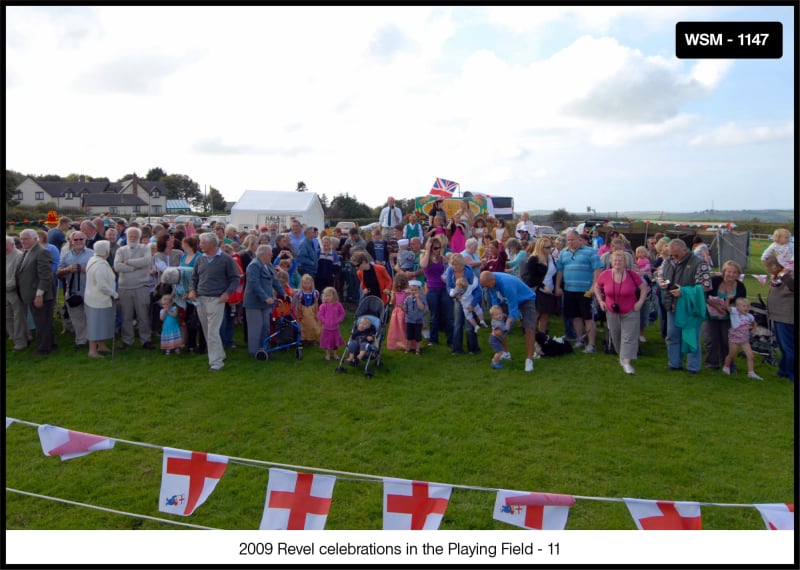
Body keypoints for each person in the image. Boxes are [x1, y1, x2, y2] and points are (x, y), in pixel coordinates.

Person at [187, 232, 241, 372]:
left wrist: (227, 293)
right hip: (200, 299)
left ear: (212, 244)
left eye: (202, 243)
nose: (200, 245)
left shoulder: (226, 259)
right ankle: (220, 354)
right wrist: (192, 290)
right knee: (207, 330)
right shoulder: (200, 259)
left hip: (216, 299)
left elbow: (235, 278)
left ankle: (216, 363)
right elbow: (194, 277)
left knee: (212, 331)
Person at [657, 238, 712, 374]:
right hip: (672, 305)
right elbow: (660, 275)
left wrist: (684, 291)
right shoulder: (668, 260)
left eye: (676, 255)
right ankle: (674, 363)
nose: (673, 257)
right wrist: (661, 282)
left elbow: (705, 286)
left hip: (690, 307)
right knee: (672, 336)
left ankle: (693, 367)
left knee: (691, 337)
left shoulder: (699, 264)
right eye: (671, 254)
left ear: (685, 250)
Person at [594, 250, 648, 375]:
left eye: (620, 260)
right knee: (616, 335)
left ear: (625, 262)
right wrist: (600, 300)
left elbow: (643, 288)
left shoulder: (632, 275)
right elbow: (597, 286)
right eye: (615, 260)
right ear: (611, 262)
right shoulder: (605, 274)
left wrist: (640, 302)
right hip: (611, 310)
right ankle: (622, 357)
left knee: (628, 337)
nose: (617, 263)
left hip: (631, 310)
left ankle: (627, 362)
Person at [554, 229, 603, 353]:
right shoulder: (563, 253)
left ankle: (591, 344)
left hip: (586, 291)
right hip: (569, 290)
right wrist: (557, 286)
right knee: (575, 316)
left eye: (572, 240)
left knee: (588, 317)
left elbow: (597, 269)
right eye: (568, 240)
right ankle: (580, 340)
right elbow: (560, 270)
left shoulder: (590, 252)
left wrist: (594, 286)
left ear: (579, 239)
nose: (570, 242)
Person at [479, 270, 537, 372]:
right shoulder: (490, 283)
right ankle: (505, 353)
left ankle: (529, 359)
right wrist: (496, 316)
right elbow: (494, 300)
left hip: (526, 299)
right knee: (499, 325)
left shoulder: (506, 284)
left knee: (529, 328)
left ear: (492, 280)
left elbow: (513, 306)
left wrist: (509, 322)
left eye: (487, 286)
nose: (486, 288)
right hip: (508, 300)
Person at [15, 229, 57, 355]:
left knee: (42, 322)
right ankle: (50, 343)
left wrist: (39, 295)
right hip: (31, 294)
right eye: (21, 239)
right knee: (42, 321)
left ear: (35, 239)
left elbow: (45, 276)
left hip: (40, 295)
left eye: (26, 238)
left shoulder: (41, 252)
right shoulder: (27, 251)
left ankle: (43, 349)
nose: (23, 241)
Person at [113, 227, 154, 350]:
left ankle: (146, 340)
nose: (132, 238)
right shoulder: (121, 250)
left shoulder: (145, 248)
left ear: (139, 237)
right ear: (126, 236)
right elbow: (117, 266)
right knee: (126, 315)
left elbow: (146, 261)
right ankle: (127, 340)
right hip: (124, 287)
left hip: (141, 286)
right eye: (130, 236)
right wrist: (133, 268)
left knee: (143, 315)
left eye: (135, 236)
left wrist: (128, 262)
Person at [702, 260, 747, 370]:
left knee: (727, 341)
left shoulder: (740, 286)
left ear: (738, 274)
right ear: (724, 272)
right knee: (711, 340)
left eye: (734, 272)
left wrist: (729, 308)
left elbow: (741, 302)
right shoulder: (715, 281)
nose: (731, 274)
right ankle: (712, 364)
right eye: (729, 271)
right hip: (711, 315)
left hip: (729, 317)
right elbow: (704, 295)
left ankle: (728, 364)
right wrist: (716, 306)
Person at [243, 244, 284, 357]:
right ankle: (254, 351)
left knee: (265, 326)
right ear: (263, 255)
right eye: (270, 255)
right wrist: (265, 297)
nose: (272, 256)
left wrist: (283, 293)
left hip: (266, 303)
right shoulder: (254, 266)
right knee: (256, 327)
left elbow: (274, 280)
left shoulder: (268, 264)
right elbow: (254, 283)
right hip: (254, 303)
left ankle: (264, 348)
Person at [57, 231, 93, 348]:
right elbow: (58, 272)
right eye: (75, 240)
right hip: (72, 291)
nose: (78, 242)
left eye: (81, 239)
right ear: (71, 241)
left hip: (89, 290)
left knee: (90, 316)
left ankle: (92, 339)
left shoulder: (92, 254)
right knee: (77, 317)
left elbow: (98, 271)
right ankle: (81, 340)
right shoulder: (66, 255)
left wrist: (82, 269)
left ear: (85, 240)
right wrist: (68, 269)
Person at [84, 240, 118, 358]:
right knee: (95, 325)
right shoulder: (100, 265)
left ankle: (101, 345)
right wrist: (114, 294)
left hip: (94, 297)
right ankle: (92, 351)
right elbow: (102, 285)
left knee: (101, 323)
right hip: (97, 299)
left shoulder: (94, 259)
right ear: (106, 251)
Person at [762, 255, 794, 382]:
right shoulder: (779, 276)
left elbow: (792, 286)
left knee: (789, 347)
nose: (768, 270)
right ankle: (783, 371)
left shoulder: (790, 274)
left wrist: (783, 275)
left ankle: (792, 374)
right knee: (783, 347)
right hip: (777, 316)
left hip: (786, 317)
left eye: (769, 267)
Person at [443, 253, 481, 355]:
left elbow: (477, 290)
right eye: (453, 264)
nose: (454, 267)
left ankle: (473, 348)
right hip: (457, 299)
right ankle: (457, 349)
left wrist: (472, 304)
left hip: (469, 299)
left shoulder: (469, 273)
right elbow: (449, 286)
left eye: (456, 265)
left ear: (462, 264)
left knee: (469, 324)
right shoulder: (451, 270)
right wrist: (454, 294)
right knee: (457, 324)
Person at [419, 235, 452, 347]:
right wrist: (428, 251)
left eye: (439, 248)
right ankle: (433, 339)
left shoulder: (443, 259)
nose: (438, 250)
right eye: (435, 248)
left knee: (447, 315)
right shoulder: (425, 256)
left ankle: (450, 339)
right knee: (434, 315)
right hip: (432, 289)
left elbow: (449, 271)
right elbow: (423, 265)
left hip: (443, 289)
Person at [522, 237, 558, 335]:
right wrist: (543, 286)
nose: (550, 249)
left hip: (549, 289)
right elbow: (532, 277)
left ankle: (542, 335)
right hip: (537, 289)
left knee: (545, 314)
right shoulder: (534, 259)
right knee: (536, 313)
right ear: (540, 248)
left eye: (551, 246)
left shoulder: (551, 258)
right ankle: (529, 332)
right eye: (547, 247)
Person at [721, 297, 762, 380]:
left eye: (748, 306)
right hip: (734, 339)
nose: (746, 308)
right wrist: (728, 299)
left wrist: (754, 329)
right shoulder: (734, 312)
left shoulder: (750, 316)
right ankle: (726, 367)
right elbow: (726, 307)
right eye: (744, 306)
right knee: (731, 355)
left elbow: (754, 323)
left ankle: (751, 373)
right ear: (737, 307)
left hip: (744, 340)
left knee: (751, 356)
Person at [6, 236, 28, 351]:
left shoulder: (18, 256)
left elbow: (17, 278)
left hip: (16, 292)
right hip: (6, 293)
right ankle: (14, 337)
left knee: (18, 318)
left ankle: (21, 343)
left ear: (11, 244)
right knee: (7, 317)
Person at [318, 286, 346, 360]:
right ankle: (327, 354)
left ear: (334, 296)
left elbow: (342, 313)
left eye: (329, 295)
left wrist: (338, 320)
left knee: (335, 341)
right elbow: (320, 315)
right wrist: (325, 321)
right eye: (326, 296)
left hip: (335, 328)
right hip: (326, 328)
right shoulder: (323, 306)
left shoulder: (338, 305)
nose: (327, 297)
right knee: (326, 341)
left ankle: (335, 354)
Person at [295, 273, 322, 345]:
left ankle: (313, 338)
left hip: (312, 309)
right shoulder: (300, 293)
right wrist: (300, 312)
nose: (307, 285)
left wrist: (316, 312)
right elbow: (299, 303)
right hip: (303, 310)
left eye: (308, 283)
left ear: (311, 284)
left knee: (313, 324)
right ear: (302, 283)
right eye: (305, 283)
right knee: (304, 324)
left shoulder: (314, 293)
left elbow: (316, 303)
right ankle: (304, 338)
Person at [386, 272, 409, 351]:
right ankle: (406, 343)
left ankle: (396, 343)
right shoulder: (407, 292)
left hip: (396, 312)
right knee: (404, 328)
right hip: (404, 310)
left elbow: (392, 302)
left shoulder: (394, 292)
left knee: (396, 328)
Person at [403, 280, 427, 354]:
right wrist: (403, 308)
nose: (413, 292)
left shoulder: (422, 298)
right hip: (409, 320)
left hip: (418, 320)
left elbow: (422, 308)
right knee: (409, 335)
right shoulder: (407, 299)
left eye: (415, 290)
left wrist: (417, 299)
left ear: (419, 290)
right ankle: (408, 348)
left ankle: (418, 349)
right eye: (412, 290)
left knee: (418, 336)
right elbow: (406, 310)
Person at [488, 305, 510, 369]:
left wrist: (504, 316)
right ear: (492, 316)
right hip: (494, 339)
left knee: (500, 351)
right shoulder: (498, 324)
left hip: (496, 339)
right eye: (496, 314)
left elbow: (502, 317)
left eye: (500, 313)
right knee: (499, 352)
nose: (499, 315)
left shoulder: (497, 320)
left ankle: (496, 361)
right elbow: (505, 329)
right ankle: (494, 363)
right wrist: (508, 322)